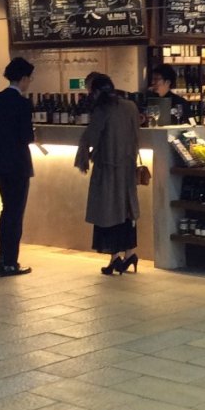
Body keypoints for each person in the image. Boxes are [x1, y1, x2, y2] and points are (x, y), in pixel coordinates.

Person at [75, 73, 141, 275]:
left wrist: (85, 155)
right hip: (127, 169)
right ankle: (129, 254)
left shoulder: (102, 110)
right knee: (127, 213)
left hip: (108, 169)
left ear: (95, 92)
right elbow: (136, 135)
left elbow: (91, 137)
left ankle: (114, 258)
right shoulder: (130, 106)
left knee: (109, 213)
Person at [0, 58, 36, 277]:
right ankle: (10, 262)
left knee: (6, 210)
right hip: (18, 164)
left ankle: (3, 259)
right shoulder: (23, 104)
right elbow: (27, 136)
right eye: (29, 79)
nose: (29, 83)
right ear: (23, 78)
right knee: (15, 212)